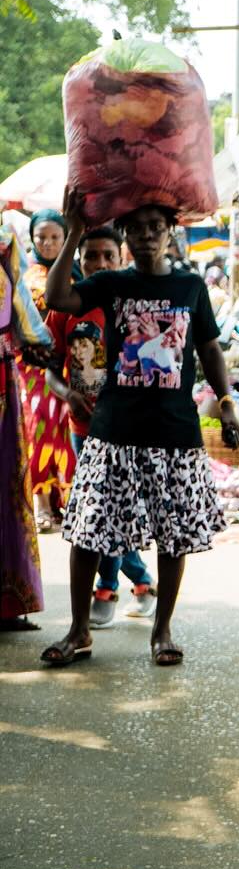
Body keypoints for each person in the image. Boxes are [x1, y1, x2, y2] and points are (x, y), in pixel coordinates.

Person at [38, 195, 239, 668]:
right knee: (88, 532)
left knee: (173, 537)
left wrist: (227, 403)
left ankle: (162, 630)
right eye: (137, 228)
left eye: (155, 226)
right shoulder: (110, 283)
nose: (147, 235)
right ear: (126, 235)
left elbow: (209, 350)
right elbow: (56, 298)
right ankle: (78, 630)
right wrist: (72, 232)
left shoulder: (192, 287)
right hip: (112, 432)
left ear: (171, 230)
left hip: (174, 435)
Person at [46, 225, 157, 628]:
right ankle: (142, 583)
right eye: (92, 256)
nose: (100, 263)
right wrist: (66, 393)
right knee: (100, 510)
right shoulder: (66, 307)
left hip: (126, 427)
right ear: (80, 259)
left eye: (108, 256)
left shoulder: (135, 308)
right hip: (82, 427)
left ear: (122, 257)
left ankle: (106, 589)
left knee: (110, 510)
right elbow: (50, 370)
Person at [19, 209, 78, 532]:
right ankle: (41, 502)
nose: (48, 242)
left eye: (56, 236)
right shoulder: (25, 277)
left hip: (71, 367)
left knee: (67, 434)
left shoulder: (76, 273)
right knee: (40, 432)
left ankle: (67, 502)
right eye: (41, 236)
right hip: (35, 369)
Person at [0, 223, 44, 628]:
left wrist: (37, 340)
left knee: (5, 485)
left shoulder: (5, 239)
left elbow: (23, 305)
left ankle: (7, 603)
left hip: (1, 373)